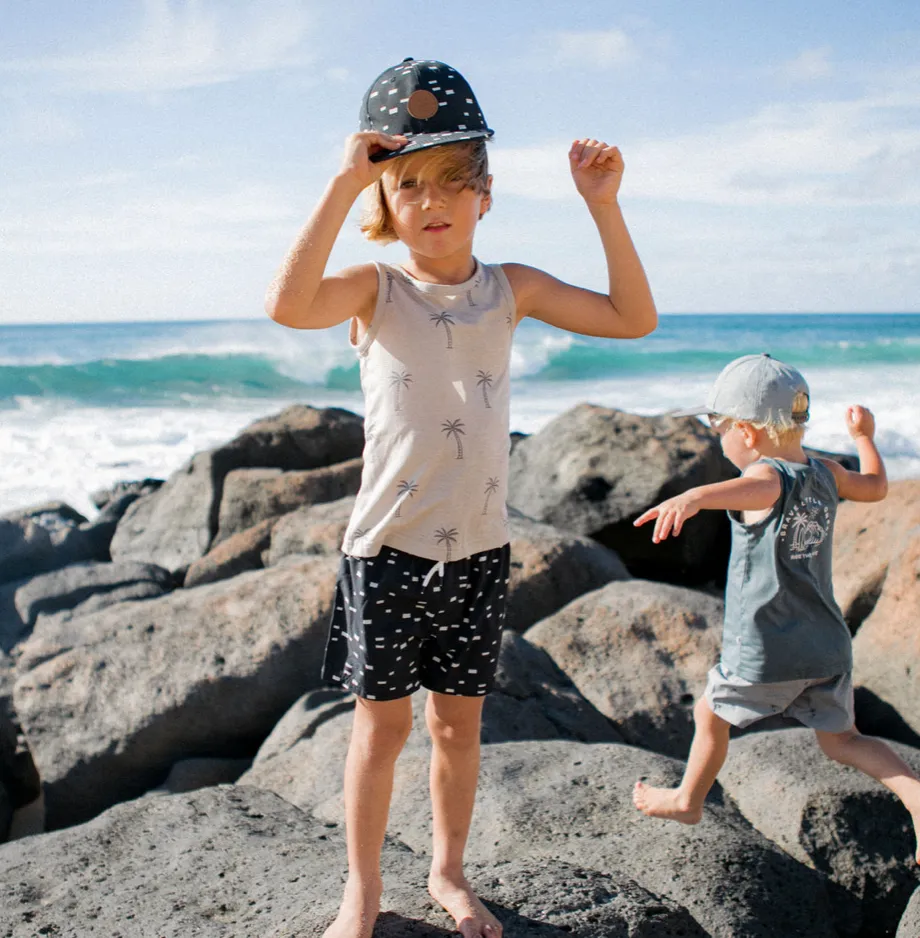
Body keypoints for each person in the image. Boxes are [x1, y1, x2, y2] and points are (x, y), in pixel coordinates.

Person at [265, 57, 657, 938]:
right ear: (384, 200)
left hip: (478, 548)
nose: (433, 201)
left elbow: (634, 319)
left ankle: (447, 872)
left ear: (485, 194)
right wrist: (341, 181)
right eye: (408, 184)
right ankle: (360, 892)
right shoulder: (377, 290)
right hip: (388, 551)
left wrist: (604, 205)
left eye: (454, 180)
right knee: (381, 730)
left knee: (457, 730)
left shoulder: (510, 289)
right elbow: (287, 305)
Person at [631, 353, 920, 865]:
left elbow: (759, 486)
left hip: (766, 646)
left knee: (710, 712)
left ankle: (686, 800)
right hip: (828, 643)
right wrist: (863, 437)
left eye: (715, 426)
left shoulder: (768, 477)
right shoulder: (827, 472)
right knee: (845, 740)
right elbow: (876, 487)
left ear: (745, 431)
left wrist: (693, 496)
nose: (716, 437)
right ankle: (916, 796)